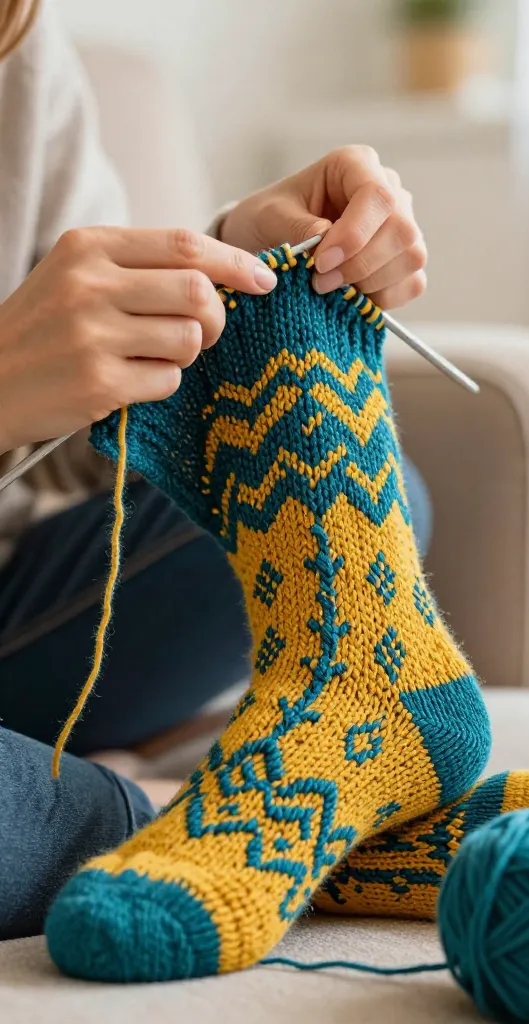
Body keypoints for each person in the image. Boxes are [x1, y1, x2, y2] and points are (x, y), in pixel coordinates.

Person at [0, 0, 430, 940]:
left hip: (17, 613)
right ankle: (231, 814)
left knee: (357, 496)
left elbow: (83, 444)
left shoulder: (13, 40)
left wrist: (239, 291)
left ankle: (336, 748)